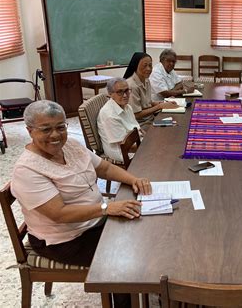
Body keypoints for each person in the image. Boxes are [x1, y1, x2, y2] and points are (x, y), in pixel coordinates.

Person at [11, 100, 152, 306]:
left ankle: (147, 289)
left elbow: (103, 168)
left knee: (144, 231)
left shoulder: (71, 146)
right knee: (123, 260)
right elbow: (59, 213)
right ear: (30, 131)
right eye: (46, 129)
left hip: (93, 222)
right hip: (64, 240)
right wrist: (106, 207)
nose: (55, 135)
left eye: (60, 127)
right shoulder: (27, 170)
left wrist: (133, 179)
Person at [123, 52, 178, 129]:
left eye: (150, 65)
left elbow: (148, 103)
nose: (148, 69)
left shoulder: (146, 80)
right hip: (140, 124)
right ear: (136, 66)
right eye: (144, 66)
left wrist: (164, 102)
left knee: (176, 124)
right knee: (169, 132)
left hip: (151, 119)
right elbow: (136, 114)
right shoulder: (132, 85)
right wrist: (159, 106)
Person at [97, 78, 143, 162]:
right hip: (122, 152)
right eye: (120, 92)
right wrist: (147, 147)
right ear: (110, 94)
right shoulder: (109, 115)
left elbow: (137, 128)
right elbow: (126, 147)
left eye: (126, 90)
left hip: (135, 142)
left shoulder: (127, 106)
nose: (125, 95)